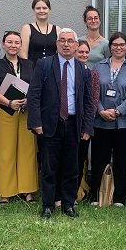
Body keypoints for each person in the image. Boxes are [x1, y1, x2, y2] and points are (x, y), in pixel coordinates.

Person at [28, 28, 95, 219]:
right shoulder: (44, 64)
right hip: (50, 124)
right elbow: (34, 95)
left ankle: (68, 204)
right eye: (62, 41)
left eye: (70, 41)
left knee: (72, 168)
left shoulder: (83, 70)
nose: (66, 44)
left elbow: (88, 101)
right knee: (49, 168)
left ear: (76, 45)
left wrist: (87, 127)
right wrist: (36, 122)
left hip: (73, 125)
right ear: (57, 44)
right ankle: (48, 205)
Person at [91, 32, 126, 206]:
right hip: (101, 121)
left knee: (122, 160)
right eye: (115, 44)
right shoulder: (98, 66)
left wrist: (118, 111)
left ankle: (119, 197)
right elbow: (93, 92)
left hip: (125, 123)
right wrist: (101, 111)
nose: (118, 48)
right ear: (110, 47)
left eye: (122, 45)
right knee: (99, 159)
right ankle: (97, 196)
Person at [0, 31, 38, 204]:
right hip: (5, 111)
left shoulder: (29, 64)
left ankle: (27, 191)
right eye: (9, 42)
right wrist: (9, 102)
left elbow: (34, 86)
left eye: (17, 42)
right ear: (3, 44)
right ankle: (5, 191)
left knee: (27, 151)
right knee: (5, 152)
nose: (13, 45)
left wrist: (29, 100)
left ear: (20, 45)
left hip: (26, 112)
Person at [75, 40, 101, 201]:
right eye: (80, 52)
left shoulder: (93, 75)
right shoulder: (66, 72)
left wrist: (87, 126)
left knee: (79, 160)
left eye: (86, 52)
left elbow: (94, 101)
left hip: (84, 125)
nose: (84, 55)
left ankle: (75, 193)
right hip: (67, 124)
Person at [20, 0, 61, 64]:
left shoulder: (57, 29)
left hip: (51, 70)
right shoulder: (27, 28)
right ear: (33, 10)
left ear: (50, 10)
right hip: (33, 70)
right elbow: (23, 55)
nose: (41, 11)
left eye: (44, 8)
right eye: (38, 8)